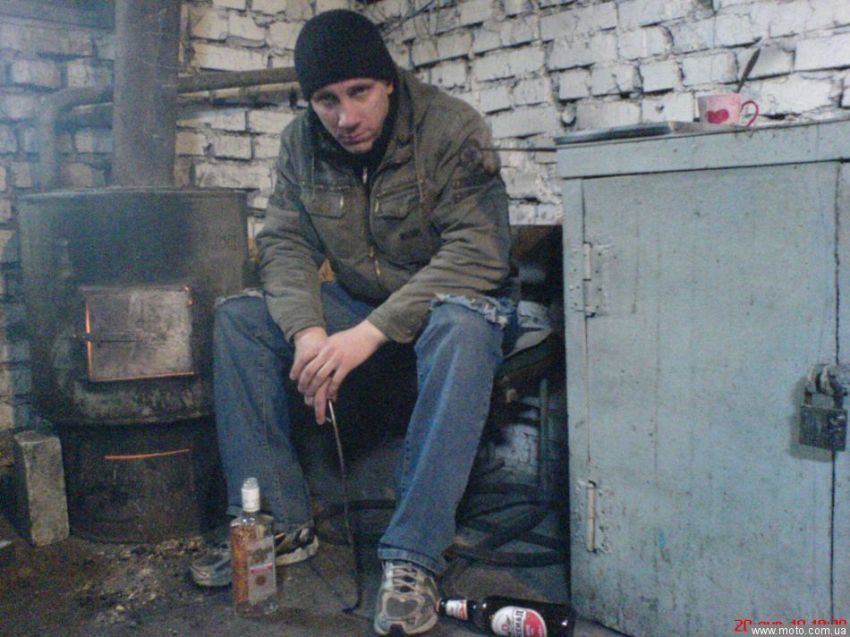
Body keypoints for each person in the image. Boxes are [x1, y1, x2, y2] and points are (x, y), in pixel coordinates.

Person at [190, 9, 517, 636]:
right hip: (362, 305)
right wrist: (307, 332)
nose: (345, 117)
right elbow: (285, 243)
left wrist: (369, 334)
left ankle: (414, 556)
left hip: (454, 306)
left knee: (462, 328)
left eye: (359, 92)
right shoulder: (301, 143)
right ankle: (276, 521)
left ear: (387, 81)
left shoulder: (451, 128)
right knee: (240, 319)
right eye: (327, 100)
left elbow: (479, 253)